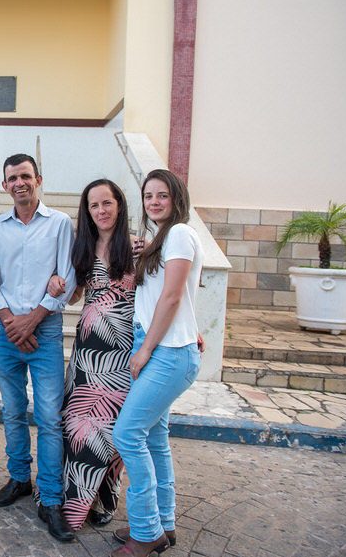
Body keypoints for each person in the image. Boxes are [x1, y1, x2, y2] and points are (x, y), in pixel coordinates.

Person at [0, 153, 77, 543]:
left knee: (50, 417)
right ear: (4, 186)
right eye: (12, 178)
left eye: (25, 176)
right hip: (6, 331)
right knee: (13, 410)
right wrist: (11, 322)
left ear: (38, 179)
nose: (19, 183)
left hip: (45, 331)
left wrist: (32, 320)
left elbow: (67, 278)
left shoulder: (60, 224)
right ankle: (19, 477)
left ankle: (50, 499)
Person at [110, 169, 204, 557]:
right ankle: (164, 522)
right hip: (168, 345)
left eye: (162, 195)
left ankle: (147, 531)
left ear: (176, 198)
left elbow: (172, 297)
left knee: (127, 434)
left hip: (166, 351)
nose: (154, 202)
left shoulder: (179, 233)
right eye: (148, 196)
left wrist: (145, 349)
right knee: (154, 438)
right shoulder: (164, 239)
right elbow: (170, 294)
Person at [47, 179, 137, 531]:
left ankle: (105, 499)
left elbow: (164, 294)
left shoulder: (138, 247)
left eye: (107, 203)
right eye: (94, 205)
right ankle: (75, 502)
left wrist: (191, 329)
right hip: (88, 354)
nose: (101, 210)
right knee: (79, 426)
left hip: (122, 352)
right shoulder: (83, 247)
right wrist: (57, 284)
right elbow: (73, 295)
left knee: (111, 428)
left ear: (119, 205)